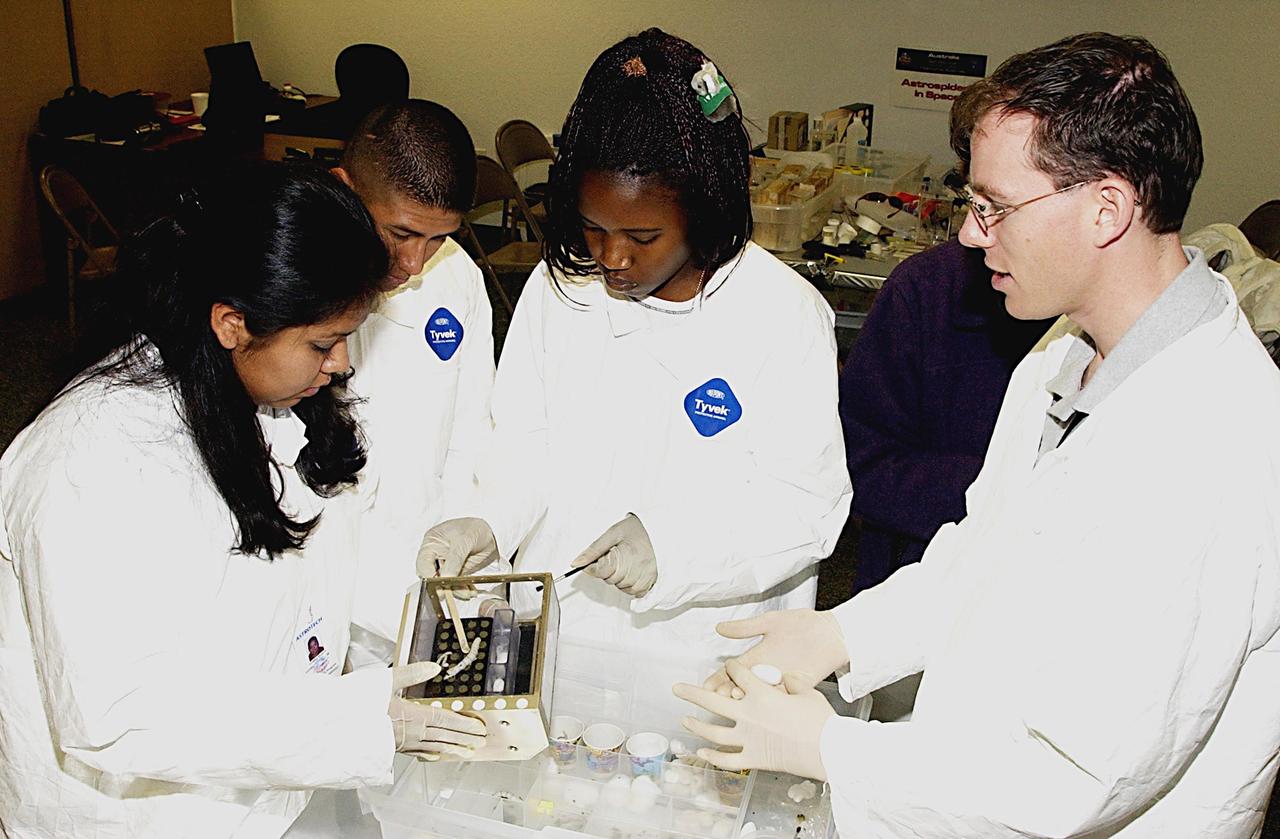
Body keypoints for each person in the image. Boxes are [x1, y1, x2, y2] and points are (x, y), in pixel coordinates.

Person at [677, 32, 1280, 838]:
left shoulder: (1211, 443)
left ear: (1107, 209)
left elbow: (1075, 780)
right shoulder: (1066, 350)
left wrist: (831, 748)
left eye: (995, 206)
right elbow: (984, 555)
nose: (968, 233)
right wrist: (842, 632)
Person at [0, 163, 484, 839]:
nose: (343, 363)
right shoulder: (88, 463)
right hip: (143, 817)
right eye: (324, 343)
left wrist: (437, 606)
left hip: (266, 789)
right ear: (232, 322)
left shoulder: (261, 393)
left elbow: (315, 551)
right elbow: (116, 718)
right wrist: (358, 720)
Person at [416, 29, 851, 701]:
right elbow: (524, 443)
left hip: (705, 653)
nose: (612, 258)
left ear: (703, 211)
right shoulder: (563, 290)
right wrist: (489, 521)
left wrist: (670, 547)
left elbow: (807, 505)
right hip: (560, 636)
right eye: (593, 227)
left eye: (643, 236)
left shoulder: (780, 315)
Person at [331, 100, 495, 667]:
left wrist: (462, 557)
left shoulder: (458, 277)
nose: (415, 262)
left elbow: (471, 433)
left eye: (437, 238)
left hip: (427, 579)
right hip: (330, 599)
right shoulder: (294, 288)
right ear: (346, 190)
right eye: (400, 232)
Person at [840, 239, 1053, 594]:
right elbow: (859, 463)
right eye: (976, 209)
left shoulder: (1114, 330)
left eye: (999, 210)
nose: (971, 232)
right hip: (917, 584)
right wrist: (1006, 492)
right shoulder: (928, 288)